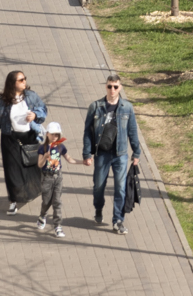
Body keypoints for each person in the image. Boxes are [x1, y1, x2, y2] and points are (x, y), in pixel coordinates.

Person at [80, 73, 142, 234]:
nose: (112, 90)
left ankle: (118, 220)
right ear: (106, 87)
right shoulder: (96, 106)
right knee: (98, 187)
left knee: (120, 188)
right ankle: (98, 208)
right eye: (109, 86)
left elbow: (132, 130)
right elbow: (87, 132)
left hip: (120, 154)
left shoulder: (127, 107)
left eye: (115, 87)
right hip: (102, 154)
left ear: (120, 87)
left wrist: (136, 152)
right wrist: (87, 154)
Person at [0, 70, 46, 214]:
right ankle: (13, 201)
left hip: (30, 137)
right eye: (21, 80)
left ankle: (30, 193)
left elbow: (43, 109)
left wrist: (35, 115)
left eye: (24, 78)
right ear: (12, 83)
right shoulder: (3, 102)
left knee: (31, 169)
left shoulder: (31, 96)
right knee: (12, 172)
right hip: (10, 139)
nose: (24, 81)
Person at [35, 121, 69, 237]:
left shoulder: (60, 146)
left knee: (57, 202)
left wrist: (82, 162)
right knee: (46, 201)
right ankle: (42, 215)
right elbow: (39, 164)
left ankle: (57, 226)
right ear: (47, 134)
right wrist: (45, 157)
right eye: (53, 134)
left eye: (57, 135)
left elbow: (69, 159)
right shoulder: (42, 148)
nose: (55, 137)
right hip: (46, 177)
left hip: (58, 177)